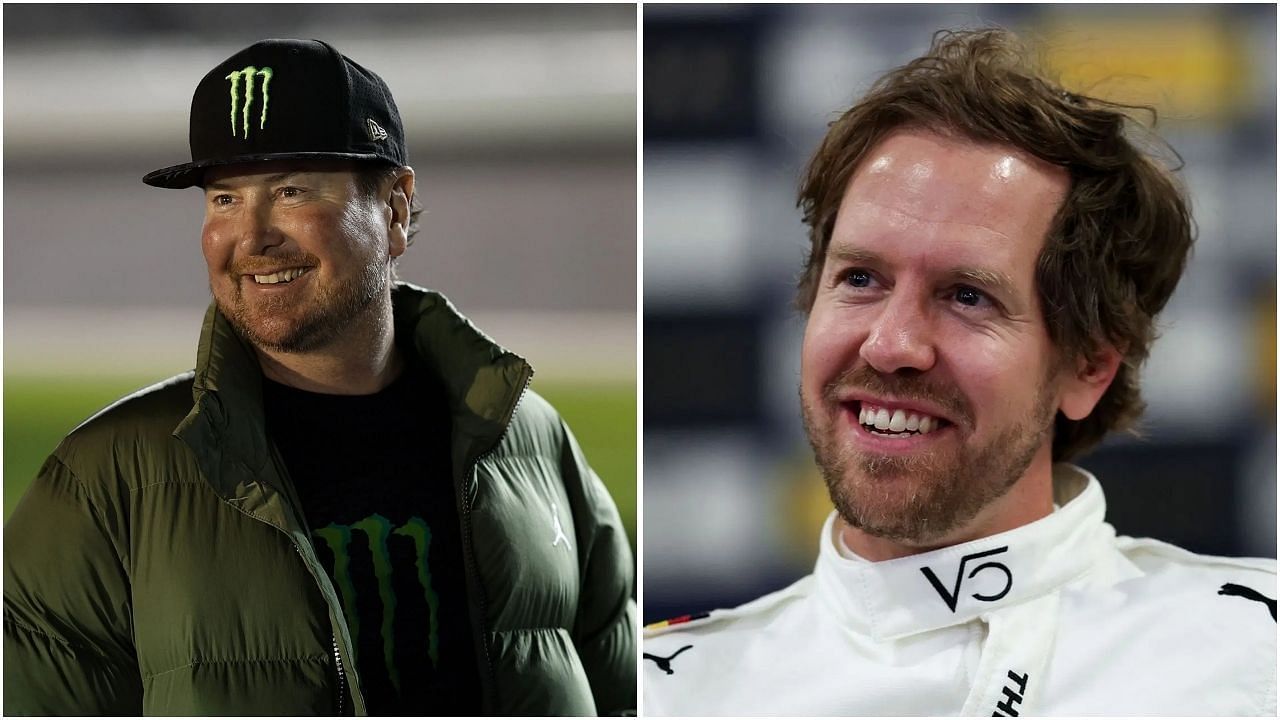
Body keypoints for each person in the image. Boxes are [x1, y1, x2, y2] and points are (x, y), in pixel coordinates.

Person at [643, 28, 1275, 716]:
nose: (890, 345)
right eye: (860, 278)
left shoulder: (1253, 648)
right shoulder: (664, 689)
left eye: (966, 296)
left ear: (1089, 366)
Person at [4, 38, 635, 716]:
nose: (251, 237)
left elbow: (629, 694)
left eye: (291, 190)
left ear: (395, 208)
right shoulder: (103, 485)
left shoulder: (531, 442)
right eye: (224, 199)